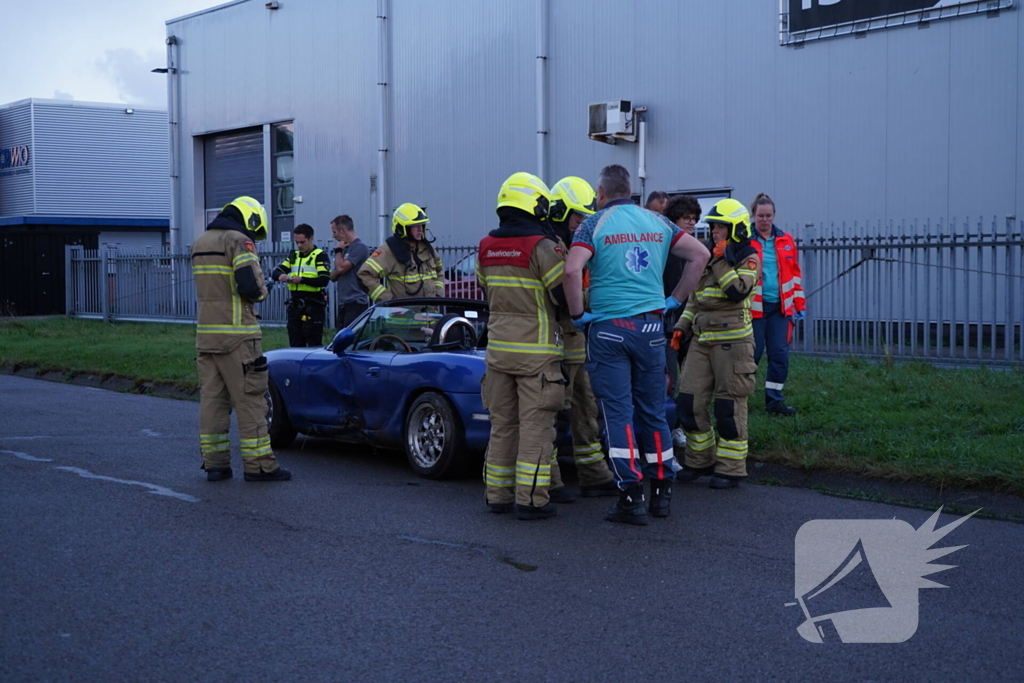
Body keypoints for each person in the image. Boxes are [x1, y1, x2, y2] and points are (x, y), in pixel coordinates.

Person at [565, 165, 709, 525]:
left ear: (601, 193)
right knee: (653, 410)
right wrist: (675, 300)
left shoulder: (592, 224)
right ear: (630, 190)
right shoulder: (658, 223)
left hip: (609, 330)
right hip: (650, 329)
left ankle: (630, 495)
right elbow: (701, 256)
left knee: (617, 413)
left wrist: (578, 314)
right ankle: (662, 490)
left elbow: (571, 271)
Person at [477, 172, 567, 521]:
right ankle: (531, 500)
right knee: (535, 428)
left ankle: (496, 495)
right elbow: (561, 296)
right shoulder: (544, 247)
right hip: (537, 355)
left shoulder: (485, 246)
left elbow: (488, 293)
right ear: (535, 204)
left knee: (502, 425)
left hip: (498, 352)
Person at [190, 196, 291, 482]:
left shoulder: (200, 242)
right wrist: (264, 289)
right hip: (239, 337)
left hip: (206, 336)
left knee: (213, 402)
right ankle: (260, 466)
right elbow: (251, 287)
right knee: (251, 401)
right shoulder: (238, 241)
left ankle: (215, 464)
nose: (254, 237)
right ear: (251, 218)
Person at [672, 198, 761, 489]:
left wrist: (722, 259)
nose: (714, 232)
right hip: (701, 340)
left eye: (720, 227)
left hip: (733, 343)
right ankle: (700, 462)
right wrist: (680, 328)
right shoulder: (708, 256)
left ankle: (731, 469)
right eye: (712, 227)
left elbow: (737, 290)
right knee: (688, 401)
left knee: (728, 406)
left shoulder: (749, 257)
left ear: (735, 229)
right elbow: (694, 300)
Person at [545, 176, 617, 501]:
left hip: (579, 344)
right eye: (576, 218)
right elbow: (562, 296)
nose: (581, 225)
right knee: (555, 416)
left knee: (587, 411)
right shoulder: (550, 248)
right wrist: (594, 299)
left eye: (585, 219)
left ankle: (594, 476)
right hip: (554, 345)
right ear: (560, 213)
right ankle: (549, 481)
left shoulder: (578, 246)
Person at [749, 193, 806, 416]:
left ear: (774, 215)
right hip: (754, 309)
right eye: (760, 215)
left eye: (768, 215)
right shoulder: (746, 240)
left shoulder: (786, 240)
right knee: (750, 356)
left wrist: (799, 303)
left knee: (779, 356)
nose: (764, 219)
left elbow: (794, 275)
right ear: (753, 215)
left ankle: (775, 402)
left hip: (780, 309)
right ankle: (738, 400)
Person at [662, 195, 703, 448]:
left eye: (693, 219)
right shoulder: (665, 246)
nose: (690, 223)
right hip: (666, 325)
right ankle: (667, 432)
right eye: (685, 218)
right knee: (668, 381)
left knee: (689, 383)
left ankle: (681, 427)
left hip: (689, 323)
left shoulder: (697, 248)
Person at [358, 203, 444, 302]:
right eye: (415, 225)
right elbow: (364, 274)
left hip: (430, 314)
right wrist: (389, 300)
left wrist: (438, 295)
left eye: (422, 225)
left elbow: (439, 270)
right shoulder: (390, 250)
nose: (420, 229)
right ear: (402, 228)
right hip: (402, 316)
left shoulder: (428, 248)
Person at [273, 223, 331, 347]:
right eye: (297, 242)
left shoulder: (319, 256)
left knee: (313, 343)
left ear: (311, 239)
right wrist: (281, 276)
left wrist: (302, 280)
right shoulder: (294, 255)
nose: (299, 245)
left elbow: (324, 280)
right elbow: (276, 271)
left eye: (302, 242)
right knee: (295, 343)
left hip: (313, 304)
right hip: (295, 305)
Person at [328, 215, 370, 329]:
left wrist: (338, 251)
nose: (333, 236)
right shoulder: (344, 248)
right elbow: (332, 276)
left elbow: (340, 269)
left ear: (343, 230)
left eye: (334, 232)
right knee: (340, 338)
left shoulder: (359, 247)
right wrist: (340, 266)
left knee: (350, 339)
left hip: (356, 301)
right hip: (343, 302)